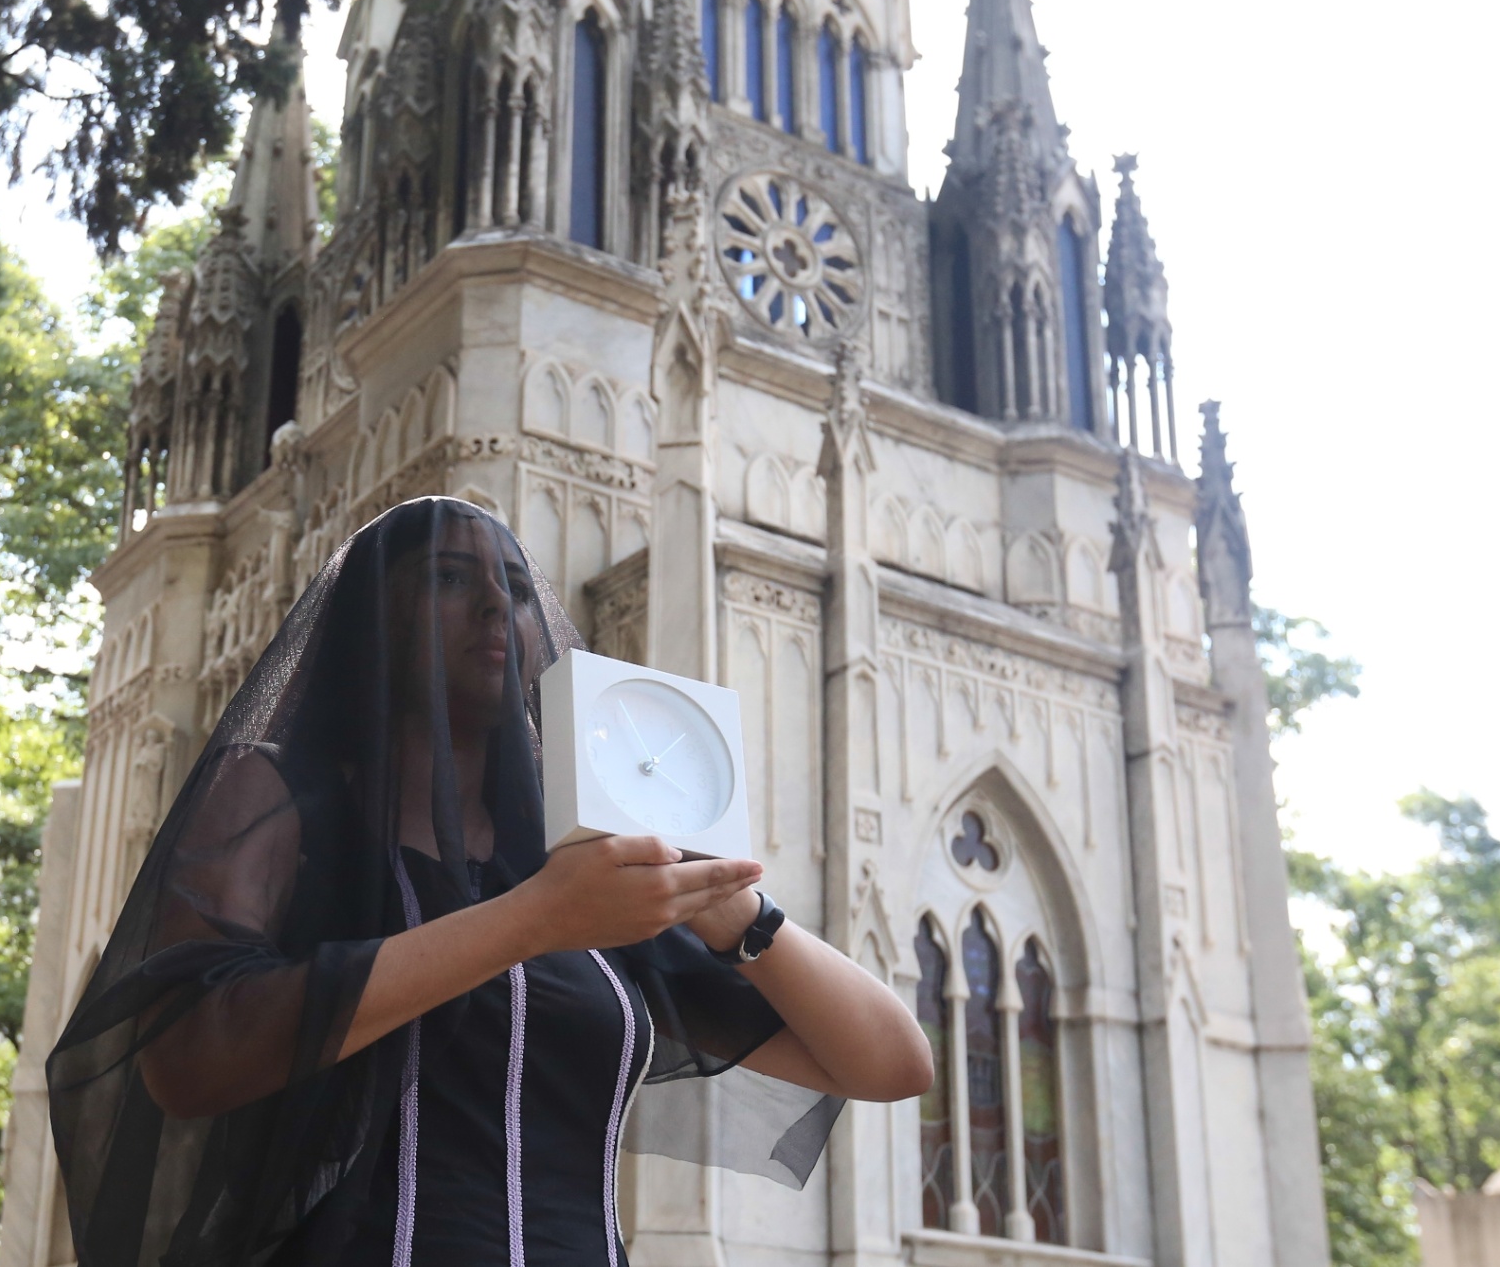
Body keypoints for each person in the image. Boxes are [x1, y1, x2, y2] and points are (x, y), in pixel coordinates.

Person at [48, 497, 931, 1267]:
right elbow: (188, 1058)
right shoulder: (281, 798)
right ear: (372, 618)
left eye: (513, 585)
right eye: (446, 580)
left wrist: (736, 911)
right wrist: (533, 920)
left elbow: (892, 1063)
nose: (494, 609)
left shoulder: (583, 872)